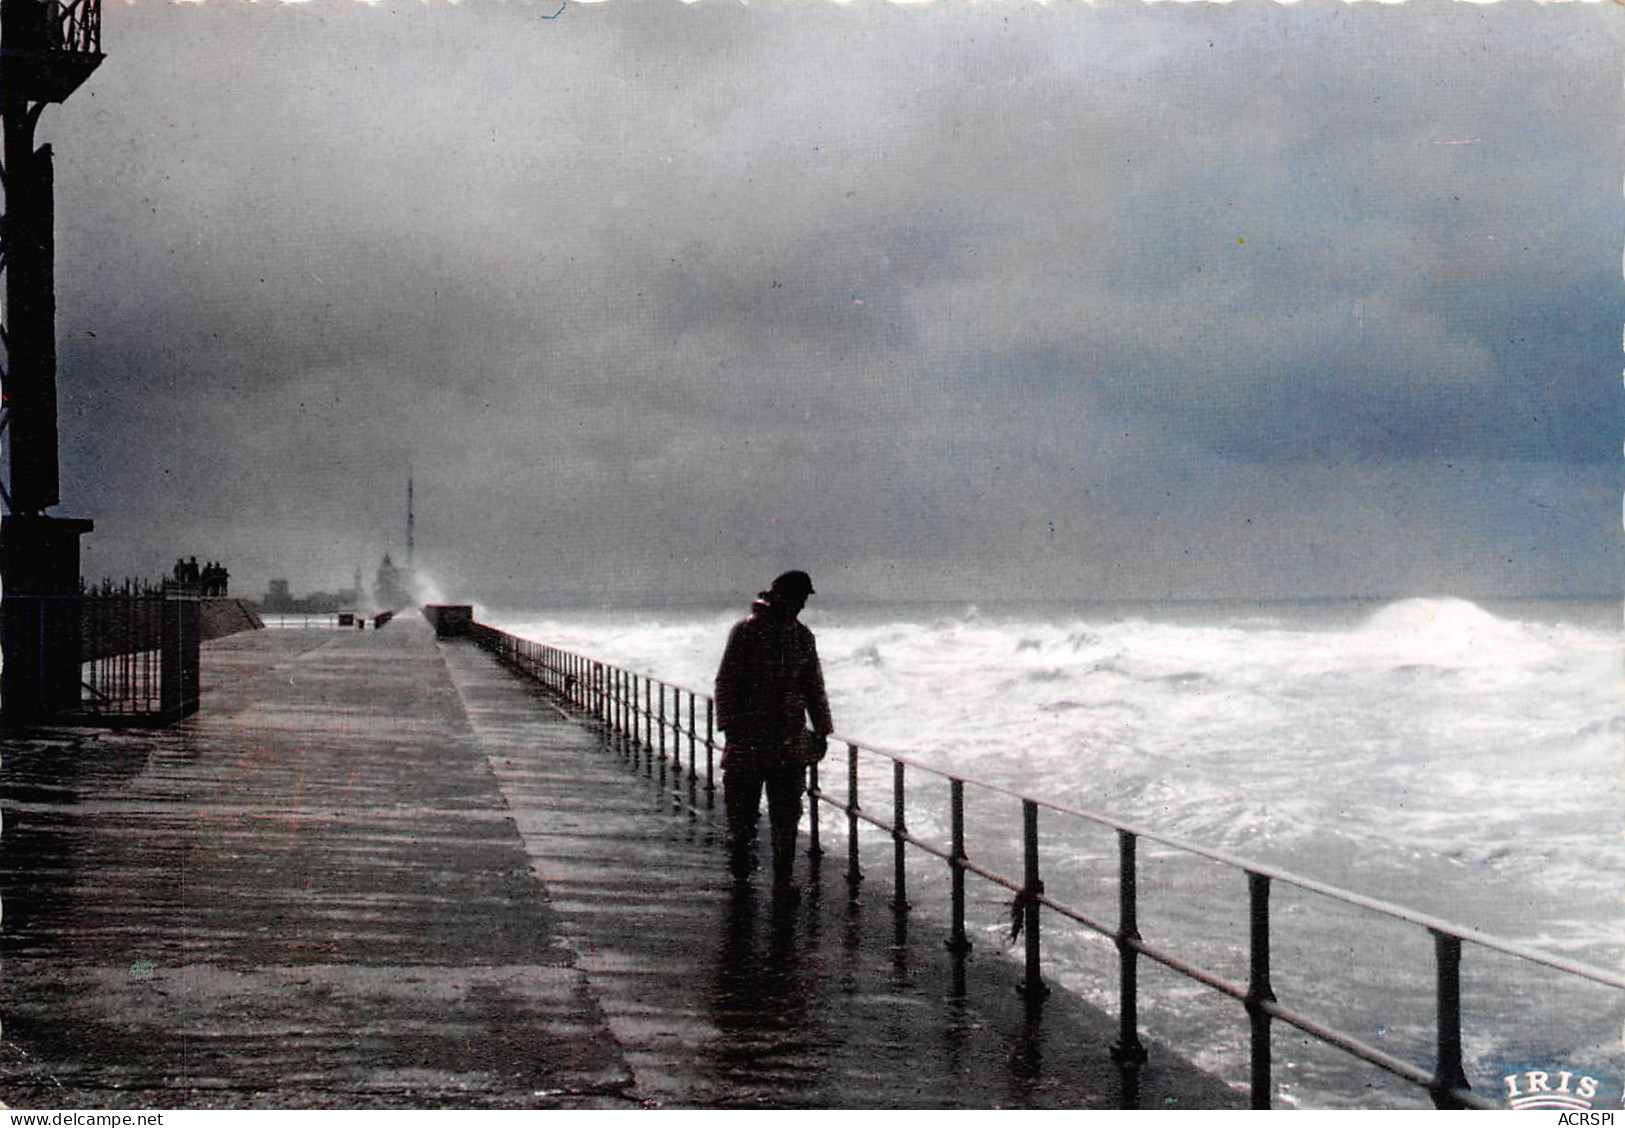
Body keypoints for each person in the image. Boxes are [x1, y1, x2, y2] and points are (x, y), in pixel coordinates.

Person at [714, 570, 834, 894]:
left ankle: (783, 880)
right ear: (779, 595)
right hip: (747, 739)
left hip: (788, 741)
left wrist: (822, 730)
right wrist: (730, 728)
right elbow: (726, 681)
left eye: (805, 600)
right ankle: (741, 869)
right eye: (799, 598)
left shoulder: (802, 636)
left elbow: (814, 687)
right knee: (742, 814)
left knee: (786, 814)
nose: (802, 606)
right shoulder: (746, 631)